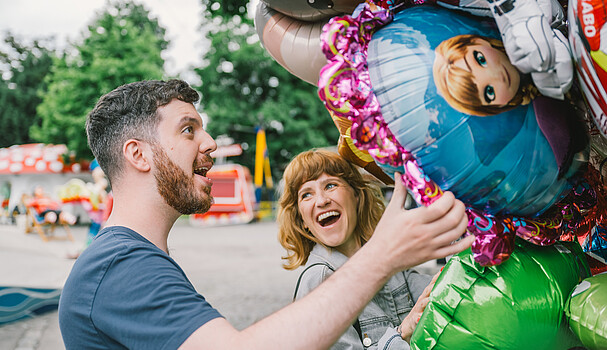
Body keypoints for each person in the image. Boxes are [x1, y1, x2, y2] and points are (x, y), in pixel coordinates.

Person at [58, 79, 473, 350]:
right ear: (138, 154)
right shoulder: (119, 267)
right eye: (188, 130)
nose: (210, 144)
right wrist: (382, 255)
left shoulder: (134, 260)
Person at [278, 149, 436, 349]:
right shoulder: (319, 280)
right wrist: (403, 332)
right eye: (306, 194)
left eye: (331, 185)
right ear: (303, 221)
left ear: (356, 196)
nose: (321, 200)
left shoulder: (389, 259)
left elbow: (440, 294)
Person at [432, 34, 539, 117]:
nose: (497, 76)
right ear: (497, 107)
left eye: (481, 60)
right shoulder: (546, 115)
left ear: (478, 42)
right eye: (489, 91)